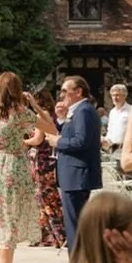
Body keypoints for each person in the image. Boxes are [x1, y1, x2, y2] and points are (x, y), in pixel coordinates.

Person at [0, 71, 57, 263]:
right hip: (13, 169)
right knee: (9, 225)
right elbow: (51, 128)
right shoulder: (20, 112)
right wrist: (34, 104)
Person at [46, 74, 103, 251]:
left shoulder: (84, 111)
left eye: (65, 91)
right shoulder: (78, 111)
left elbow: (81, 141)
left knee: (74, 225)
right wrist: (62, 120)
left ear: (78, 92)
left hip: (76, 175)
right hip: (73, 174)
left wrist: (58, 142)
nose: (62, 95)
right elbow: (72, 134)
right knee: (74, 223)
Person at [25, 90, 67, 251]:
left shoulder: (42, 116)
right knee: (45, 198)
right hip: (45, 160)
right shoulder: (48, 115)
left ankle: (57, 235)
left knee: (46, 197)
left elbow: (38, 139)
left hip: (42, 162)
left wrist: (22, 141)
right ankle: (49, 236)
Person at [102, 83, 132, 157]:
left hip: (125, 149)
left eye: (117, 95)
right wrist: (105, 139)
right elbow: (110, 129)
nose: (115, 98)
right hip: (111, 149)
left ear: (125, 96)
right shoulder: (112, 112)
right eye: (113, 95)